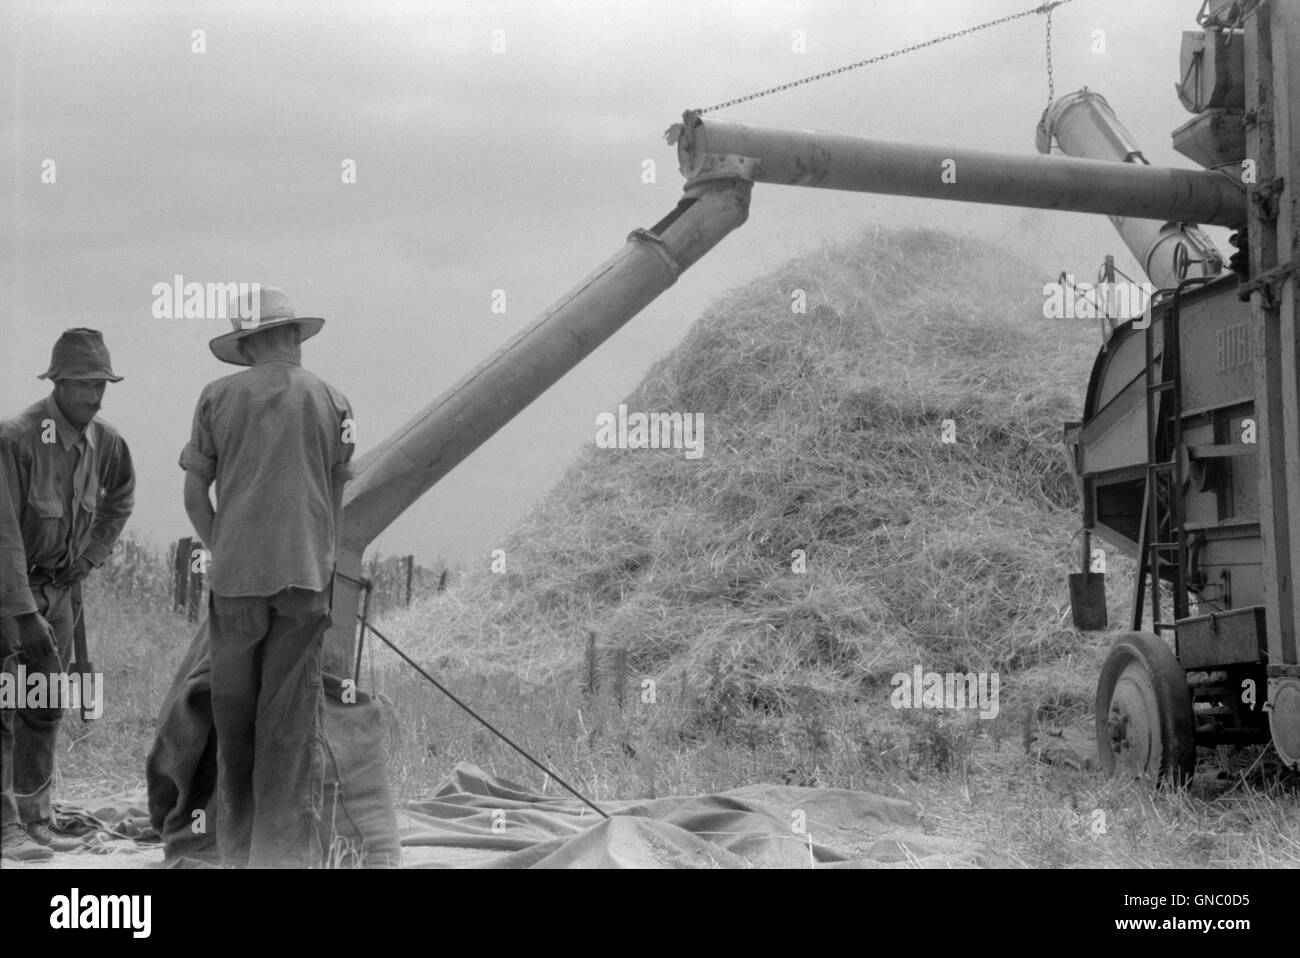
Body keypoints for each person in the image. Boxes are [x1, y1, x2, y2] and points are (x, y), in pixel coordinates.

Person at [179, 286, 353, 868]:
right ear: (293, 336)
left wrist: (225, 545)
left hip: (236, 583)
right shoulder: (334, 401)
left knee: (236, 725)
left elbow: (193, 493)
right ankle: (279, 861)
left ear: (249, 344)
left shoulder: (216, 397)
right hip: (305, 580)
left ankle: (235, 856)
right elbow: (335, 497)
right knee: (289, 729)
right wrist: (320, 557)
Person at [0, 329, 135, 862]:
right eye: (82, 385)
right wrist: (24, 615)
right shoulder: (16, 439)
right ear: (57, 383)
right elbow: (4, 533)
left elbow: (120, 499)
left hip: (58, 592)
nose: (94, 396)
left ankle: (36, 819)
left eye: (101, 384)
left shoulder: (106, 441)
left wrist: (87, 560)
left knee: (46, 705)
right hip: (11, 594)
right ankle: (4, 825)